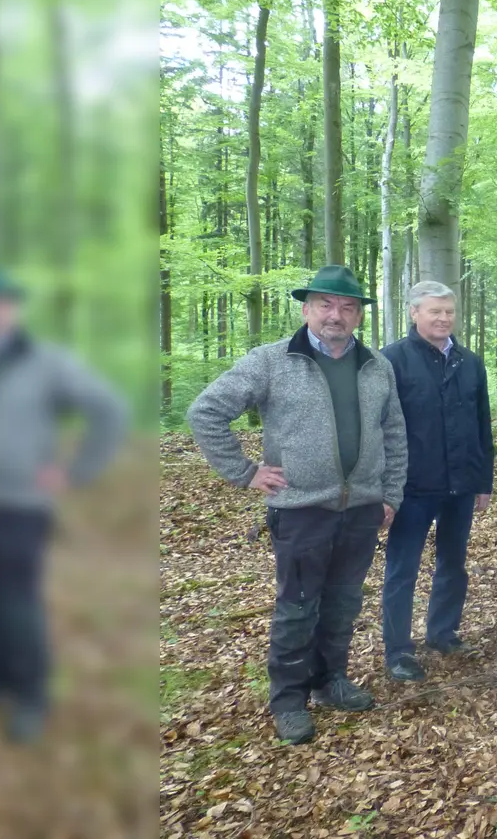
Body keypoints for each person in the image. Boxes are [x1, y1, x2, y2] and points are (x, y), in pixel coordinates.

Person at [188, 264, 407, 745]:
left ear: (358, 315)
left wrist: (390, 493)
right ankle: (288, 700)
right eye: (325, 304)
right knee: (297, 607)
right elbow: (206, 411)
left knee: (344, 602)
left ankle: (331, 681)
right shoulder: (272, 361)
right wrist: (245, 472)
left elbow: (393, 432)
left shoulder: (377, 366)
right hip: (301, 508)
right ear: (306, 309)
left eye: (347, 307)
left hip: (362, 508)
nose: (336, 315)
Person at [0, 266, 127, 743]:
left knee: (18, 604)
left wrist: (74, 472)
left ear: (13, 310)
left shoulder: (45, 363)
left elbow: (109, 411)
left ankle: (30, 696)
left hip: (18, 505)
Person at [377, 281, 493, 682]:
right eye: (435, 311)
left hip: (460, 484)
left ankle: (443, 632)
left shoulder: (469, 362)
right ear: (414, 313)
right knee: (402, 569)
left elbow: (481, 424)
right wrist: (385, 488)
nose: (444, 319)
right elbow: (380, 428)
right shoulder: (392, 360)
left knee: (453, 563)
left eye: (449, 312)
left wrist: (483, 481)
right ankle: (398, 650)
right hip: (411, 487)